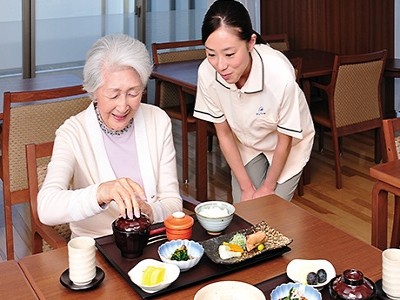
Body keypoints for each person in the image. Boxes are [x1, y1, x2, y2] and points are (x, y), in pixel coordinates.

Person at [38, 34, 182, 238]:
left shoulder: (157, 120)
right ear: (94, 91)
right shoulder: (72, 132)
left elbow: (172, 201)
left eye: (133, 93)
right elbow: (46, 207)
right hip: (97, 251)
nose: (123, 106)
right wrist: (102, 192)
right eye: (113, 95)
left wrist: (151, 212)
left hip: (152, 242)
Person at [194, 0, 315, 202]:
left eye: (230, 54)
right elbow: (223, 134)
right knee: (245, 207)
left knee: (273, 211)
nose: (221, 65)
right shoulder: (207, 73)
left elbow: (284, 140)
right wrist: (246, 187)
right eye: (211, 54)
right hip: (247, 142)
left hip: (287, 144)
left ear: (250, 43)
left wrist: (267, 187)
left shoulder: (279, 76)